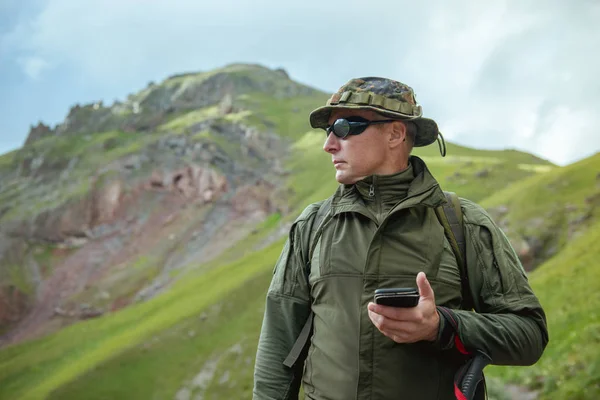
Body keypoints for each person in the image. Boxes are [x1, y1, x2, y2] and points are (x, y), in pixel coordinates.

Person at [252, 77, 548, 400]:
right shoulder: (312, 226)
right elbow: (276, 352)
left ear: (395, 133)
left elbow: (529, 334)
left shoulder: (463, 224)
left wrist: (443, 326)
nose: (329, 144)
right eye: (328, 131)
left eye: (344, 128)